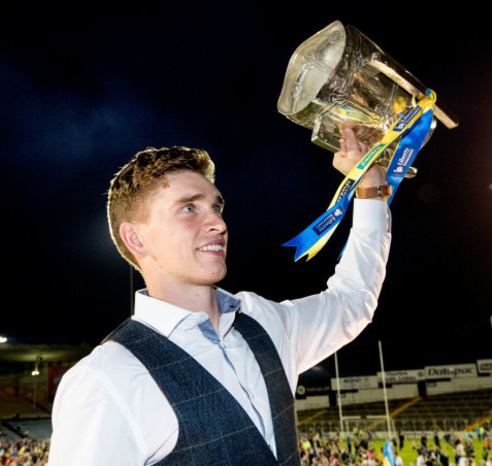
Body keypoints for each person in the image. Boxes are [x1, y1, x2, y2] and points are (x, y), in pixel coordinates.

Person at [48, 127, 391, 464]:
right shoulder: (106, 379)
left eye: (216, 206)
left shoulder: (265, 322)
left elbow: (353, 300)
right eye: (188, 208)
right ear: (137, 239)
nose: (218, 222)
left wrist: (371, 189)